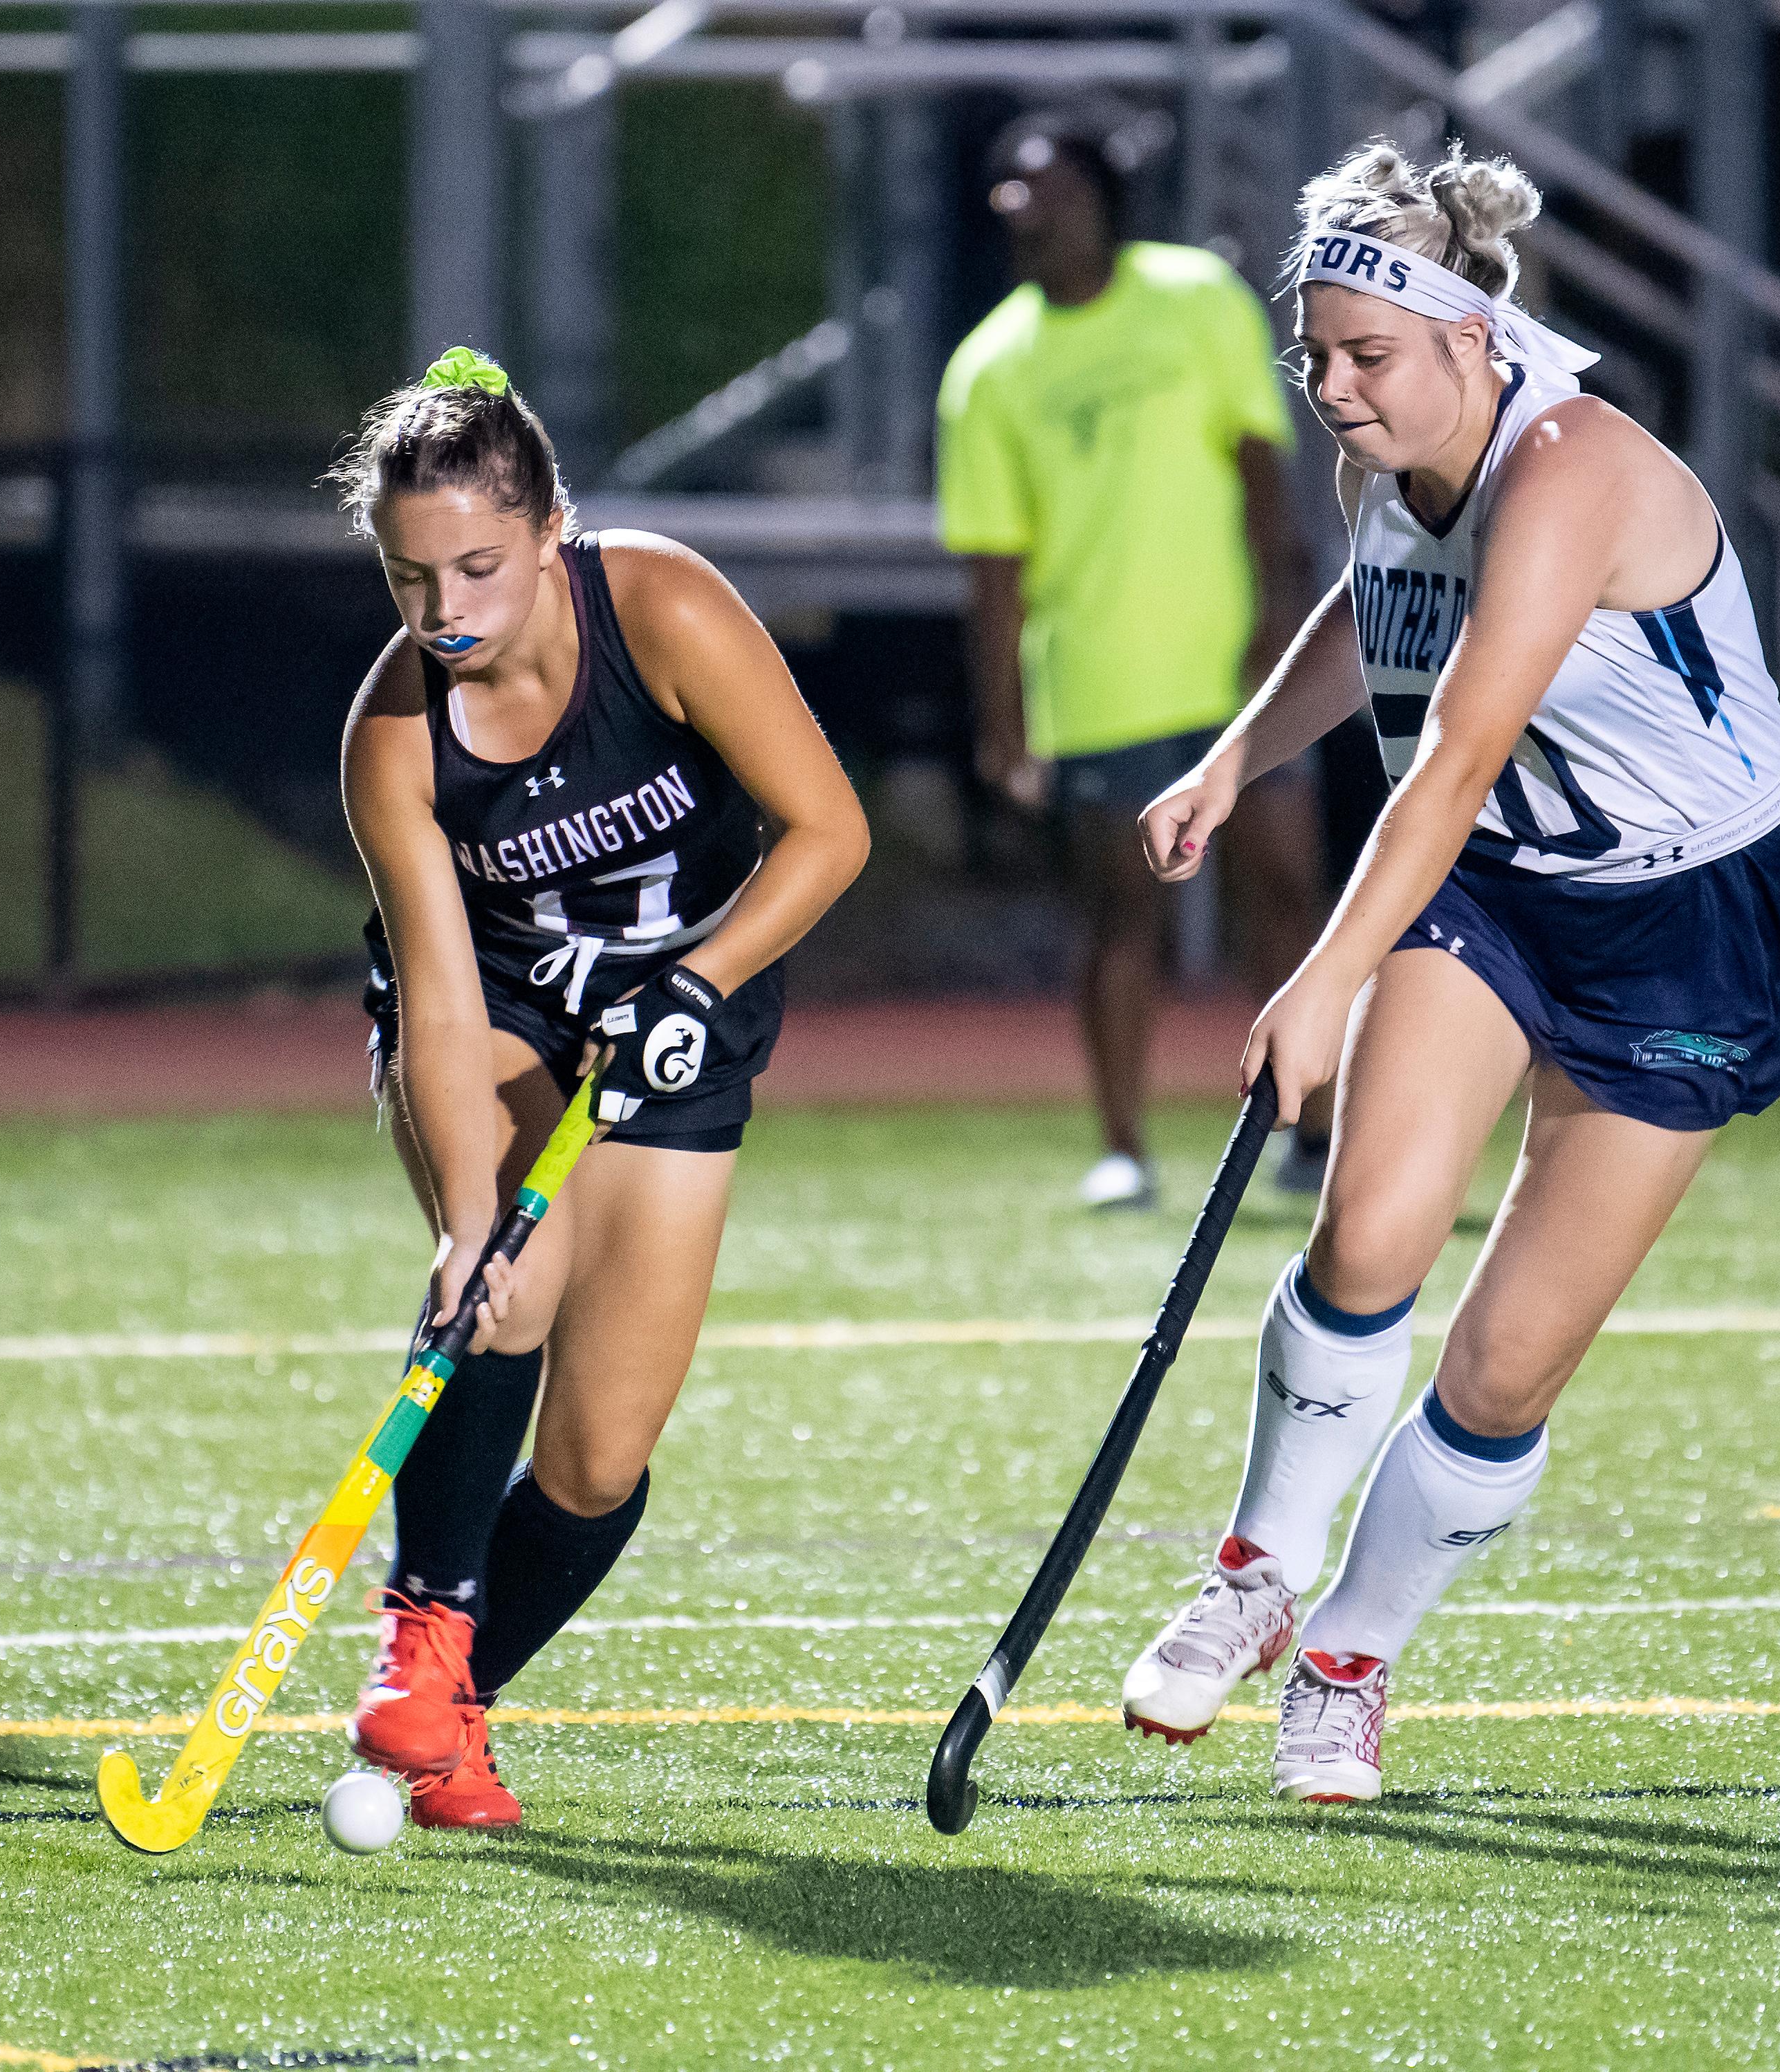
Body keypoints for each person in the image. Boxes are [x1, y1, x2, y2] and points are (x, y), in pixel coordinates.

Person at [1115, 144, 1780, 1800]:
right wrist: (1233, 760)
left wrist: (1321, 979)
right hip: (1502, 886)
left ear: (1471, 340)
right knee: (1368, 1227)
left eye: (1369, 359)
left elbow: (1451, 750)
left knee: (1504, 1364)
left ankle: (1350, 1658)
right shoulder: (1394, 461)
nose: (1335, 392)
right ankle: (1255, 1572)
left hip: (1688, 920)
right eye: (1318, 359)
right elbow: (1376, 622)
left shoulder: (1566, 467)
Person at [337, 349, 869, 1828]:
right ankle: (421, 1630)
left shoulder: (664, 609)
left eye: (479, 567)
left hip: (683, 1028)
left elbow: (828, 832)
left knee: (596, 1455)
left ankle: (456, 1713)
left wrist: (698, 984)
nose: (447, 612)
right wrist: (460, 1223)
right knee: (507, 1279)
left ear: (551, 526)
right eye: (410, 578)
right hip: (502, 1021)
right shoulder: (394, 740)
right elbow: (441, 1000)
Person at [937, 105, 1348, 1211]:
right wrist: (1002, 724)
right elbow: (993, 568)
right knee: (1123, 921)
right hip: (1097, 684)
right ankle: (1123, 1145)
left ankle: (1307, 1129)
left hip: (1235, 675)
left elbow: (1263, 463)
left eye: (1049, 183)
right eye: (1010, 189)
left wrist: (1280, 613)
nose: (1025, 206)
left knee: (1286, 888)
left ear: (1102, 197)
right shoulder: (987, 368)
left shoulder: (1194, 297)